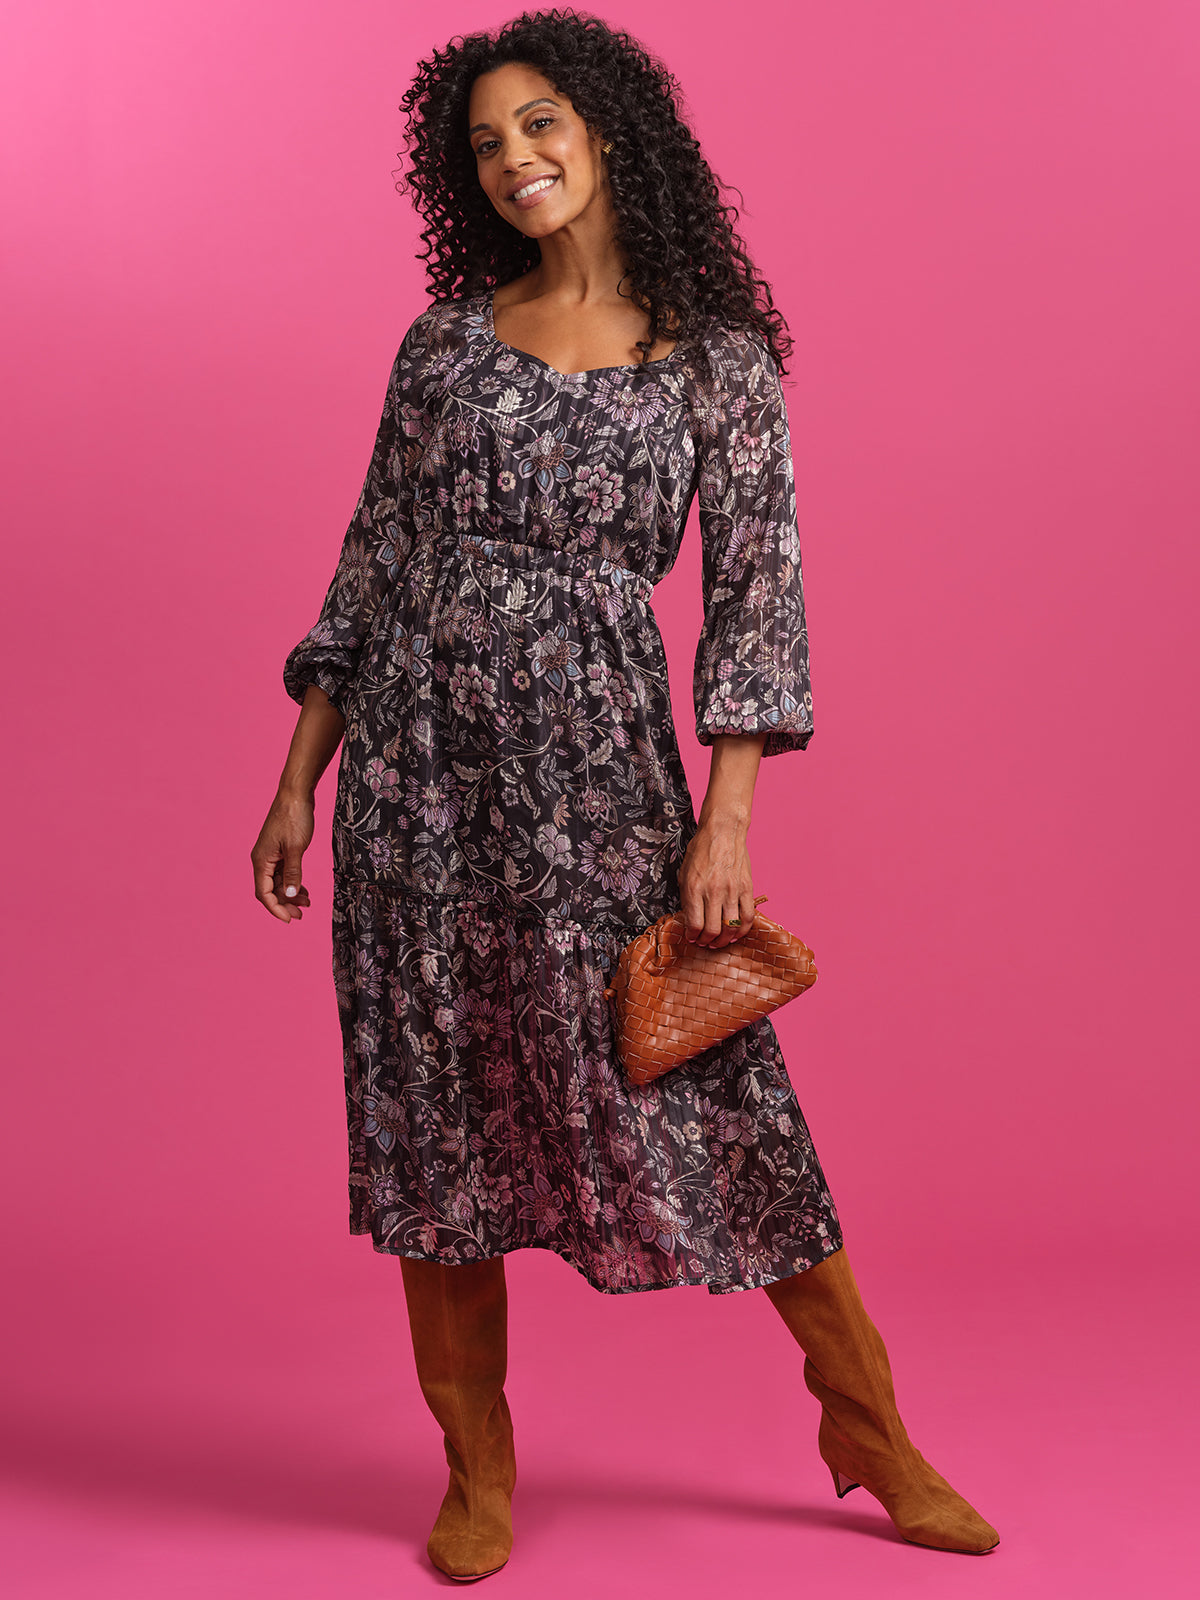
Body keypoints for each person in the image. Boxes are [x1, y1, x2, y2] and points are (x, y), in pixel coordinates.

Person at [251, 9, 999, 1581]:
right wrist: (299, 778)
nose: (513, 158)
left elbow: (755, 599)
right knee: (436, 1110)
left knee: (720, 1095)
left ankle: (870, 1427)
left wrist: (726, 822)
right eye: (483, 142)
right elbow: (371, 561)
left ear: (605, 129)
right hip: (414, 787)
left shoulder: (716, 360)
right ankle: (476, 1465)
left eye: (539, 124)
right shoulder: (444, 345)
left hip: (599, 781)